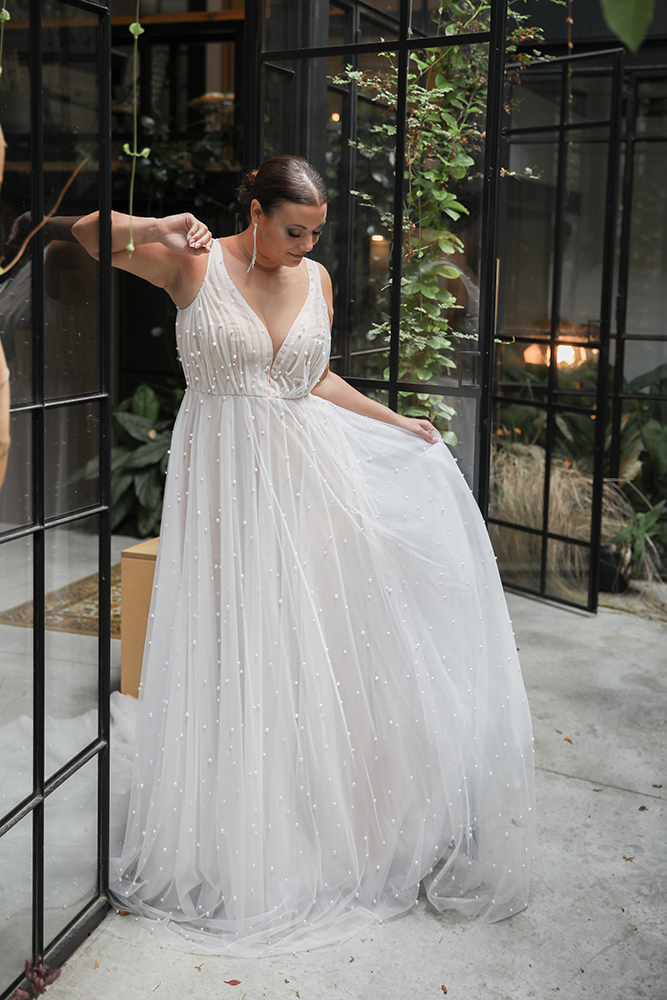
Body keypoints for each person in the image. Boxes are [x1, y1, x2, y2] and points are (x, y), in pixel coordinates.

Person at [73, 154, 535, 956]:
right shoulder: (193, 259)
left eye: (316, 233)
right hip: (221, 480)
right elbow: (86, 235)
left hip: (310, 479)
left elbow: (311, 378)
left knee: (309, 644)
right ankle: (234, 827)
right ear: (254, 211)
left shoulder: (314, 280)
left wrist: (398, 423)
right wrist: (155, 224)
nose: (305, 245)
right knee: (236, 639)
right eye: (294, 230)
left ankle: (317, 818)